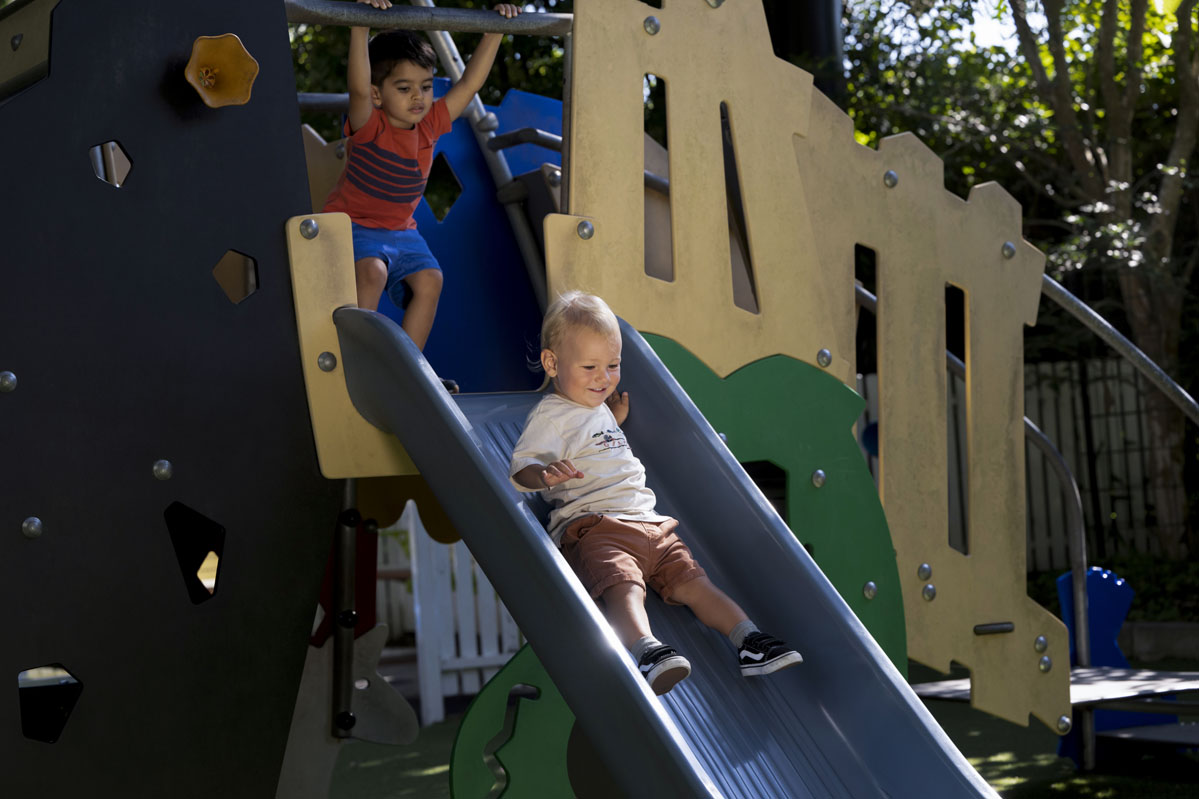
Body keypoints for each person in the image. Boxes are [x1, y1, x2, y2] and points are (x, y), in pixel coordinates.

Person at [509, 291, 802, 695]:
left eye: (613, 365)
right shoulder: (551, 416)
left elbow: (595, 442)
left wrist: (614, 420)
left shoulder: (596, 409)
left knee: (696, 583)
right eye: (590, 366)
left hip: (652, 526)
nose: (603, 377)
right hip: (596, 528)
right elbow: (521, 468)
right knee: (623, 585)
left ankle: (748, 640)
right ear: (552, 363)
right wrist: (544, 475)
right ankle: (646, 649)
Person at [323, 0, 520, 353]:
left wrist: (494, 32)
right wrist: (359, 26)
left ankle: (409, 365)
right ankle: (352, 356)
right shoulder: (369, 125)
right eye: (404, 88)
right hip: (353, 225)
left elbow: (469, 85)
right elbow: (356, 89)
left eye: (426, 86)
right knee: (372, 273)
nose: (418, 97)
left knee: (431, 280)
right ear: (377, 94)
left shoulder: (430, 124)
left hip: (402, 232)